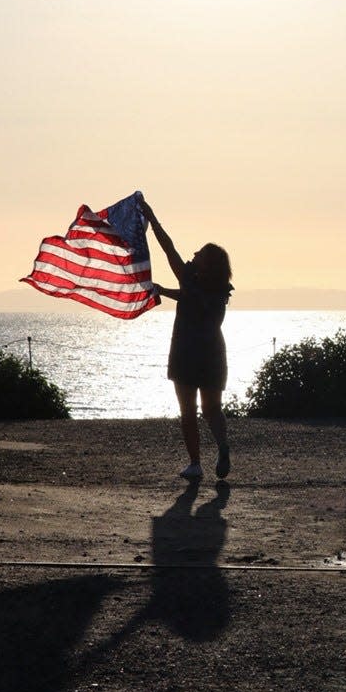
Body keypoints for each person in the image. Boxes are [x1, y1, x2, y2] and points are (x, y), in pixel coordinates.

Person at [141, 200, 233, 481]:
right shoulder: (216, 289)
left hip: (188, 352)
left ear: (209, 264)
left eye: (200, 254)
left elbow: (192, 297)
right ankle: (219, 448)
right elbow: (168, 247)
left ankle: (196, 462)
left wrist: (163, 290)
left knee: (191, 409)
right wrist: (152, 219)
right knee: (209, 409)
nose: (194, 254)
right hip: (210, 353)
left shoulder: (202, 287)